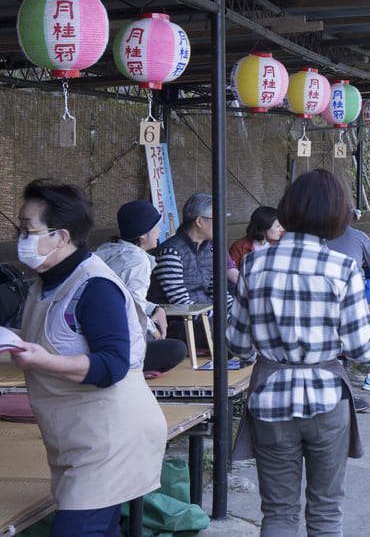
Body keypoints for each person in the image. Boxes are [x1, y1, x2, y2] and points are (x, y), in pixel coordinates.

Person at [226, 169, 370, 536]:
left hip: (270, 401)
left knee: (277, 514)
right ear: (338, 216)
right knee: (325, 513)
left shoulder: (254, 265)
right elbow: (360, 348)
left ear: (287, 210)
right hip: (326, 401)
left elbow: (237, 345)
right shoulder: (343, 269)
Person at [10, 179, 165, 537]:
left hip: (111, 441)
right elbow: (51, 339)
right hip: (74, 439)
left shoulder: (96, 286)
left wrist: (41, 360)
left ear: (62, 237)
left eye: (27, 229)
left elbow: (111, 364)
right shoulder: (43, 284)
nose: (21, 237)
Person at [94, 199, 188, 373]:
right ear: (143, 233)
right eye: (156, 227)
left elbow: (124, 295)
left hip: (95, 334)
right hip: (116, 340)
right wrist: (154, 333)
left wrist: (155, 308)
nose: (159, 231)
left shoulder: (107, 249)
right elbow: (134, 304)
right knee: (177, 349)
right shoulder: (138, 260)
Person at [149, 192, 221, 308]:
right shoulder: (170, 253)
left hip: (206, 317)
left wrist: (237, 313)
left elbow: (218, 292)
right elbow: (180, 301)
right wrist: (219, 318)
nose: (221, 223)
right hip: (180, 321)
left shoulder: (209, 250)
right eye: (217, 218)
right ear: (199, 221)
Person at [324, 214, 370, 306]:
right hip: (354, 292)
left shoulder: (319, 237)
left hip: (327, 292)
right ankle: (369, 302)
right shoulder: (359, 236)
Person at [228, 206, 284, 275]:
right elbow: (231, 277)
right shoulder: (239, 247)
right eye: (278, 226)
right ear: (264, 227)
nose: (282, 229)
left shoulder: (284, 241)